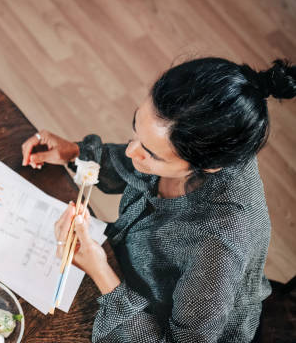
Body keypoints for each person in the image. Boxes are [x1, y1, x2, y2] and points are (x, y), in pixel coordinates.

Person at [21, 58, 296, 342]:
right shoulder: (212, 140)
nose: (130, 152)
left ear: (209, 165)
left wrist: (100, 271)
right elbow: (137, 162)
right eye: (135, 128)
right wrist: (77, 152)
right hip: (127, 275)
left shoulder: (220, 244)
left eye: (151, 153)